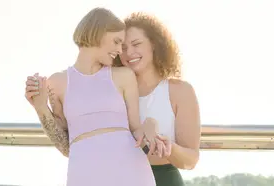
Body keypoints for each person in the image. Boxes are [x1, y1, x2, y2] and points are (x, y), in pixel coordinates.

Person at [24, 7, 167, 186]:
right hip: (85, 175)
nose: (119, 50)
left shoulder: (124, 76)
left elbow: (135, 128)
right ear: (98, 33)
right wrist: (41, 108)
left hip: (132, 172)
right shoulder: (57, 82)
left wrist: (151, 127)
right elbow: (64, 145)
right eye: (116, 42)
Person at [114, 12, 201, 186]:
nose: (129, 52)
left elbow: (190, 160)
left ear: (154, 44)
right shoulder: (113, 91)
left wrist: (166, 145)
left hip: (164, 179)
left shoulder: (180, 91)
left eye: (136, 44)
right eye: (123, 47)